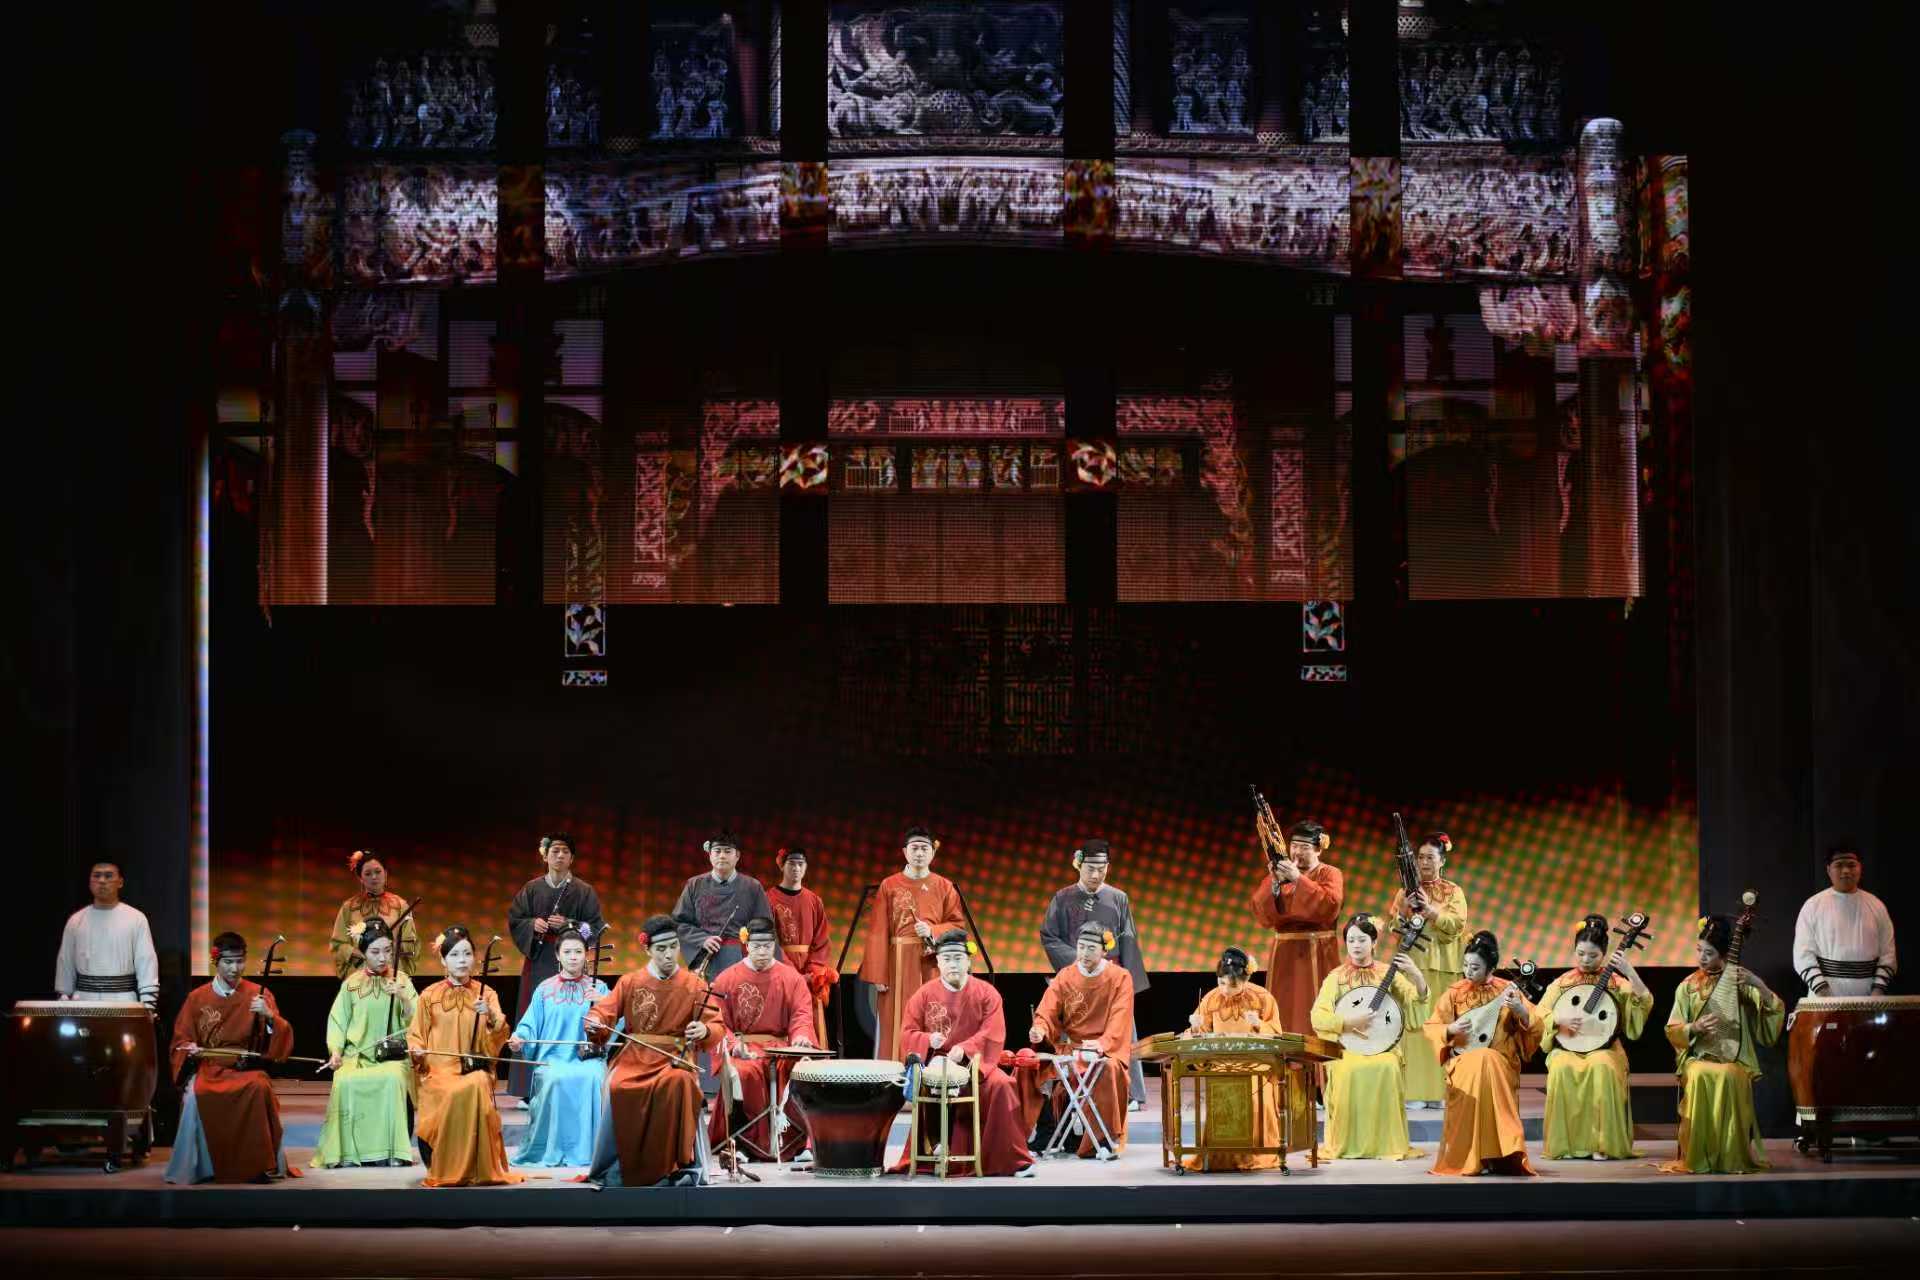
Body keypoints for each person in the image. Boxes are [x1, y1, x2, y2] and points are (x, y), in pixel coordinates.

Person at [585, 915, 725, 1187]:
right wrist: (595, 1022)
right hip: (635, 1056)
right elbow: (604, 1011)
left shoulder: (694, 984)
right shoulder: (630, 981)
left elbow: (716, 1023)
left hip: (676, 1057)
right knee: (618, 1084)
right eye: (661, 949)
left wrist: (705, 1030)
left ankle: (672, 1165)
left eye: (673, 946)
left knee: (678, 1082)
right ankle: (623, 1164)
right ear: (647, 949)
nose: (669, 954)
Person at [895, 929, 1035, 1177]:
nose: (953, 964)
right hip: (938, 1064)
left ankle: (1012, 1160)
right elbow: (907, 1033)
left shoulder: (986, 993)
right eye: (947, 958)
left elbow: (993, 1031)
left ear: (968, 961)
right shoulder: (923, 994)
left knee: (1003, 1085)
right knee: (934, 1085)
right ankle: (938, 1148)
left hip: (976, 1063)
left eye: (958, 958)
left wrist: (966, 1049)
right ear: (938, 962)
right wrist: (927, 1039)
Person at [165, 932, 294, 1183]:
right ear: (216, 961)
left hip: (245, 1068)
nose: (235, 968)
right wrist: (190, 1047)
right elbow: (180, 1040)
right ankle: (203, 1168)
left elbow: (279, 1039)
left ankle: (257, 1166)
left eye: (240, 961)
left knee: (259, 1087)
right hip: (210, 1068)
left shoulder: (259, 994)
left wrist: (269, 1017)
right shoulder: (197, 998)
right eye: (228, 962)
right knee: (195, 1094)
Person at [1661, 913, 1785, 1174]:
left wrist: (1758, 984)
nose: (1701, 957)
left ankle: (1730, 1157)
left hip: (1734, 1058)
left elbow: (1772, 1011)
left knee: (1730, 1075)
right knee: (1699, 1075)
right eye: (1699, 950)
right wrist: (1693, 1028)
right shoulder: (1688, 986)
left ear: (1724, 954)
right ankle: (1698, 1156)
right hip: (1698, 1057)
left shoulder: (1740, 983)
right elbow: (1672, 1029)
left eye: (1709, 953)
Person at [1038, 838, 1150, 1110]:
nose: (1096, 874)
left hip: (1110, 978)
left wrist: (1126, 981)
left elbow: (1128, 939)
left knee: (1122, 1031)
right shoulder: (1063, 898)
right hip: (1076, 978)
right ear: (1079, 865)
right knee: (1068, 1030)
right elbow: (1049, 935)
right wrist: (1079, 962)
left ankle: (1130, 1093)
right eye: (1090, 868)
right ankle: (1065, 1093)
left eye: (1102, 868)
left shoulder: (1118, 898)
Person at [1179, 946, 1312, 1170]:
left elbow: (1277, 1034)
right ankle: (1221, 1155)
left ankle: (1257, 1153)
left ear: (1246, 979)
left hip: (1258, 1064)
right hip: (1222, 1064)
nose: (1225, 990)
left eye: (1232, 985)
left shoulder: (1262, 998)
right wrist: (1194, 1028)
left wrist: (1259, 1024)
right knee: (1222, 1089)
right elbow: (1198, 1034)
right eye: (1221, 983)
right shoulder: (1211, 999)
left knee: (1254, 1094)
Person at [408, 924, 522, 1186]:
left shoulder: (486, 993)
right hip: (439, 1070)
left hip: (473, 1068)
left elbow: (500, 1033)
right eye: (455, 955)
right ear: (443, 960)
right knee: (449, 1090)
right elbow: (415, 1035)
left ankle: (478, 1167)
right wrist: (417, 1050)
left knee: (478, 1082)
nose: (462, 960)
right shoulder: (429, 995)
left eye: (467, 954)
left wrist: (489, 1015)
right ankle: (447, 1164)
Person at [1309, 914, 1428, 1160]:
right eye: (1351, 940)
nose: (1356, 945)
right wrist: (1348, 1022)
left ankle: (1386, 1144)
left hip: (1382, 1048)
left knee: (1388, 1067)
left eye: (1362, 940)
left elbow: (1415, 1001)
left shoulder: (1388, 973)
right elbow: (1318, 1017)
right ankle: (1347, 1143)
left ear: (1374, 943)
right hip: (1347, 1047)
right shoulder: (1336, 977)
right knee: (1347, 1069)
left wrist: (1416, 975)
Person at [1535, 913, 1652, 1160]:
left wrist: (1630, 972)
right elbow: (1539, 1013)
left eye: (1593, 955)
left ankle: (1602, 1144)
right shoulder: (1563, 983)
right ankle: (1567, 1144)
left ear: (1604, 953)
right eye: (1580, 954)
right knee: (1561, 1067)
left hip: (1605, 1048)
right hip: (1568, 1047)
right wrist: (1559, 1021)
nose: (1586, 960)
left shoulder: (1616, 982)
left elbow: (1642, 1001)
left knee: (1603, 1066)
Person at [1426, 929, 1537, 1176]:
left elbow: (1536, 1024)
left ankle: (1495, 1156)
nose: (1468, 971)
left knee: (1487, 1059)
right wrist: (1450, 1029)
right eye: (1465, 965)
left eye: (1475, 967)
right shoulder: (1454, 992)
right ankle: (1474, 1157)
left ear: (1491, 967)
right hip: (1463, 1062)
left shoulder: (1508, 991)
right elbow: (1433, 1026)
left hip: (1501, 1063)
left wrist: (1520, 1011)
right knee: (1480, 1060)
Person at [708, 916, 816, 1162]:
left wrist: (800, 1036)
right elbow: (716, 1021)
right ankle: (744, 1144)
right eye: (756, 946)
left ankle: (798, 1143)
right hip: (744, 1046)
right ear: (746, 945)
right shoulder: (727, 978)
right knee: (744, 1073)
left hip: (780, 1046)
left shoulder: (791, 978)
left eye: (767, 946)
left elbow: (801, 1013)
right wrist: (734, 1045)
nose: (762, 952)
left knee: (804, 1069)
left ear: (774, 945)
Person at [312, 918, 418, 1168]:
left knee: (393, 1078)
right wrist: (336, 1052)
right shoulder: (351, 985)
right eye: (375, 952)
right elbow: (338, 1022)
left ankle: (393, 1151)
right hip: (357, 1056)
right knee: (344, 1081)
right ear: (363, 952)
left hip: (391, 1056)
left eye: (388, 951)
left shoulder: (402, 980)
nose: (383, 958)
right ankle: (347, 1153)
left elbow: (417, 1021)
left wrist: (403, 997)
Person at [506, 834, 605, 1100]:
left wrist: (570, 924)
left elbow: (594, 928)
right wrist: (532, 924)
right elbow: (515, 920)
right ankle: (527, 1089)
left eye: (565, 852)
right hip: (540, 959)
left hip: (573, 958)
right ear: (545, 856)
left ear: (572, 858)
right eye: (555, 851)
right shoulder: (531, 888)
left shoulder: (584, 891)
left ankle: (575, 1074)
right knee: (535, 1015)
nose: (559, 856)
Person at [1023, 921, 1134, 1158]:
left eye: (1091, 948)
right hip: (1072, 1048)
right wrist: (1040, 1029)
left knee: (1109, 1069)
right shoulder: (1066, 976)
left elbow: (1120, 1017)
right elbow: (1047, 1010)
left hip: (1105, 1049)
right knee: (1031, 1065)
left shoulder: (1120, 977)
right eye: (1081, 947)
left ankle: (1101, 1139)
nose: (1084, 953)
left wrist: (1103, 1043)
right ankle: (1047, 1133)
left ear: (1105, 950)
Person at [859, 825, 967, 1059]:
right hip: (897, 963)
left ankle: (932, 1071)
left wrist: (933, 930)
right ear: (904, 852)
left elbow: (958, 926)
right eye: (914, 848)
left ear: (933, 853)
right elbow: (878, 931)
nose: (919, 853)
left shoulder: (944, 886)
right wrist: (878, 974)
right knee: (895, 1019)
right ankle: (895, 1071)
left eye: (924, 848)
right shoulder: (889, 885)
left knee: (933, 1015)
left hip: (931, 962)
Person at [506, 930, 610, 1167]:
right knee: (555, 1078)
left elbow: (619, 1022)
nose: (573, 957)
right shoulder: (544, 989)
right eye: (567, 952)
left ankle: (591, 1151)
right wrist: (520, 1038)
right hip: (553, 1058)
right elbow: (529, 1024)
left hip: (588, 1059)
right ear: (557, 955)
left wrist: (603, 1003)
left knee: (595, 1077)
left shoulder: (599, 987)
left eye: (578, 951)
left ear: (586, 955)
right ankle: (551, 1148)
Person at [1387, 832, 1468, 1109]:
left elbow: (1456, 926)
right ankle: (1415, 1091)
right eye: (1420, 857)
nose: (1424, 862)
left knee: (1443, 1026)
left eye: (1430, 857)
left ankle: (1442, 1091)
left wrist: (1431, 910)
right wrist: (1405, 910)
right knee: (1415, 1026)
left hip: (1444, 965)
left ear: (1442, 861)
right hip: (1413, 965)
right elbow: (1394, 927)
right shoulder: (1405, 892)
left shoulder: (1453, 891)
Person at [1250, 819, 1345, 1036]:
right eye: (1294, 846)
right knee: (1283, 1005)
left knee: (1315, 1004)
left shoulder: (1330, 873)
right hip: (1285, 951)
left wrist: (1298, 879)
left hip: (1317, 949)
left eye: (1304, 847)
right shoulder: (1281, 875)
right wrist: (1274, 882)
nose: (1297, 852)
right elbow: (1262, 913)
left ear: (1319, 849)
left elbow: (1329, 906)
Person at [1792, 843, 1896, 997]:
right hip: (1823, 999)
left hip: (1868, 998)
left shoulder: (1876, 906)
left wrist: (1877, 991)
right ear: (1829, 870)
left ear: (1860, 868)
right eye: (1839, 865)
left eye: (1851, 865)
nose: (1846, 870)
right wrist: (1823, 993)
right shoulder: (1812, 906)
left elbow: (1888, 954)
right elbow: (1802, 955)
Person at [672, 831, 777, 980]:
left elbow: (766, 927)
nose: (722, 856)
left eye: (727, 851)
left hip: (743, 959)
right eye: (717, 851)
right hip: (707, 956)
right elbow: (679, 923)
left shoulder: (752, 887)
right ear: (710, 855)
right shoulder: (694, 885)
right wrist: (702, 939)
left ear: (737, 855)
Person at [55, 861, 159, 1009]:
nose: (102, 880)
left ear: (120, 882)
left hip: (124, 1004)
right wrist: (63, 998)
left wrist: (148, 1007)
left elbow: (147, 963)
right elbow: (65, 963)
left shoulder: (136, 919)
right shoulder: (76, 921)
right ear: (90, 882)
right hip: (82, 1003)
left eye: (108, 876)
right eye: (97, 876)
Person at [769, 846, 835, 1047]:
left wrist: (812, 973)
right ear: (782, 866)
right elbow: (769, 940)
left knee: (812, 1023)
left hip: (810, 974)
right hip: (780, 970)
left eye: (801, 864)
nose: (796, 868)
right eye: (791, 863)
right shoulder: (769, 898)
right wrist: (793, 974)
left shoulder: (814, 900)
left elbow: (822, 941)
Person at [327, 850, 420, 979]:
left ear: (385, 873)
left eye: (378, 872)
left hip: (391, 973)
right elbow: (337, 944)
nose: (374, 877)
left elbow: (412, 943)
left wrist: (391, 946)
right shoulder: (349, 907)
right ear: (360, 878)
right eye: (368, 874)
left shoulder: (400, 905)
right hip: (360, 974)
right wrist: (356, 953)